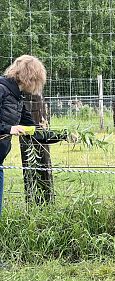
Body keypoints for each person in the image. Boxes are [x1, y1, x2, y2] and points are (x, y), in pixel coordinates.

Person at [0, 55, 62, 214]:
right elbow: (9, 128)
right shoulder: (1, 89)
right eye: (38, 79)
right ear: (30, 77)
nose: (38, 84)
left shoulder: (16, 98)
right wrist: (8, 129)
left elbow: (35, 132)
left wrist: (64, 135)